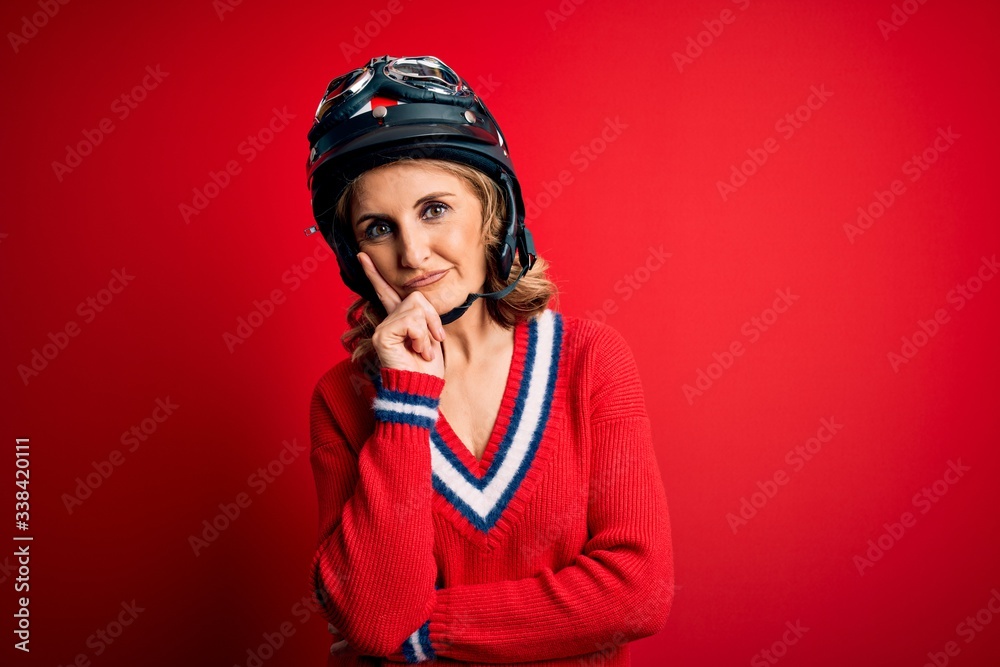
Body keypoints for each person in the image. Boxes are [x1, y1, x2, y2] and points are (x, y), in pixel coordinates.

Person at [304, 55, 673, 666]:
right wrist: (403, 398)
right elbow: (372, 619)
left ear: (491, 213)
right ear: (354, 254)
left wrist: (422, 631)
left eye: (434, 209)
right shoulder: (341, 400)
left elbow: (637, 594)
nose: (413, 252)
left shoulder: (591, 362)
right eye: (377, 227)